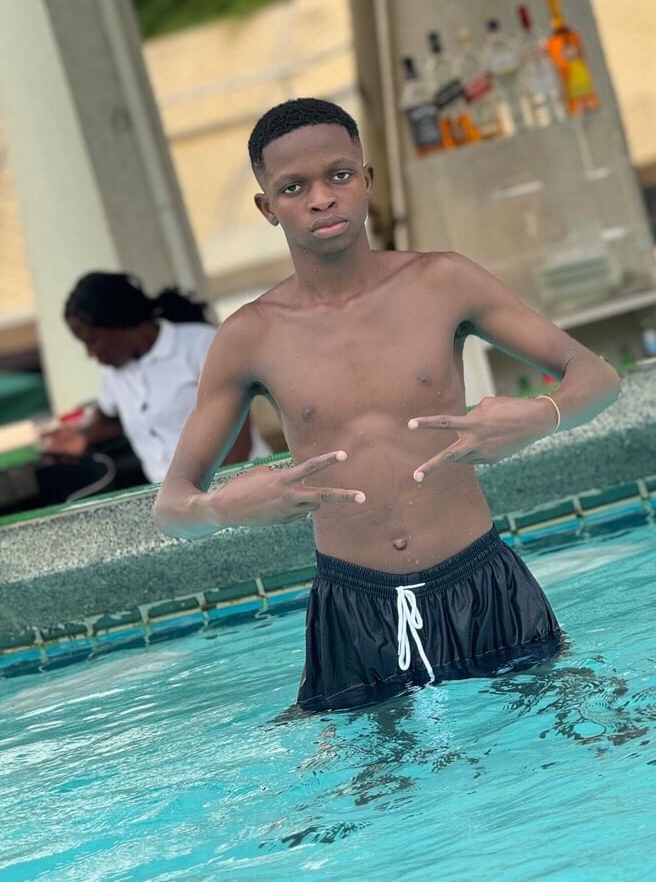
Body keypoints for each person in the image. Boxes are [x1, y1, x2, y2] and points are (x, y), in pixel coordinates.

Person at [153, 98, 620, 712]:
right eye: (294, 188)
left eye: (339, 175)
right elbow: (171, 507)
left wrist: (542, 414)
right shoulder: (251, 336)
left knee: (587, 730)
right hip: (354, 608)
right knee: (366, 771)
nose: (322, 199)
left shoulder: (442, 282)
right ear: (268, 208)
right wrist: (221, 507)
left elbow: (598, 375)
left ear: (367, 180)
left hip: (480, 580)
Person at [44, 273, 271, 484]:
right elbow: (109, 419)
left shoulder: (200, 344)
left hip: (240, 485)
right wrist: (81, 436)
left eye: (92, 341)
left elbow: (236, 433)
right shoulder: (115, 372)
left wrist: (210, 493)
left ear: (118, 324)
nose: (90, 354)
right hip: (175, 500)